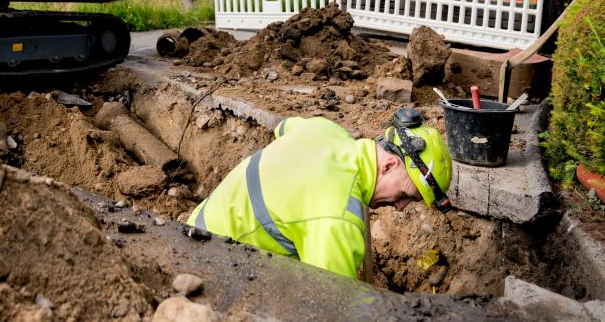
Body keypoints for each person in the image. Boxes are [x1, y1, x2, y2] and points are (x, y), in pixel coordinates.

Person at [187, 107, 453, 280]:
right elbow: (331, 306)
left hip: (197, 225)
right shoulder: (337, 217)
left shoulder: (328, 131)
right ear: (389, 165)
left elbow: (283, 128)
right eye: (406, 194)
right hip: (212, 268)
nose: (400, 207)